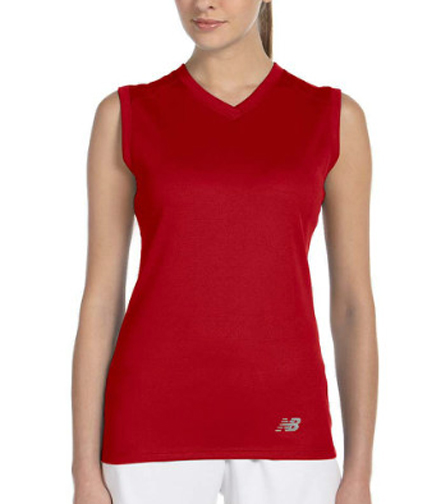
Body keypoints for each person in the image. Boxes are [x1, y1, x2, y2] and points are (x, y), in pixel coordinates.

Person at [71, 1, 378, 503]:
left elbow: (352, 305)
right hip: (149, 426)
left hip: (288, 423)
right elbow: (101, 300)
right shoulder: (125, 114)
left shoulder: (334, 117)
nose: (203, 3)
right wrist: (84, 471)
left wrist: (360, 474)